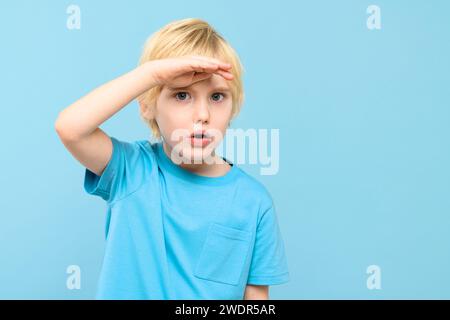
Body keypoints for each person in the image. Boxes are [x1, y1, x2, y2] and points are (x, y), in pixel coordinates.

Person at [55, 17, 289, 300]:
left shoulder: (254, 202)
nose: (202, 115)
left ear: (233, 108)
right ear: (147, 107)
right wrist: (152, 75)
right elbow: (71, 129)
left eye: (217, 96)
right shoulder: (131, 171)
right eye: (181, 95)